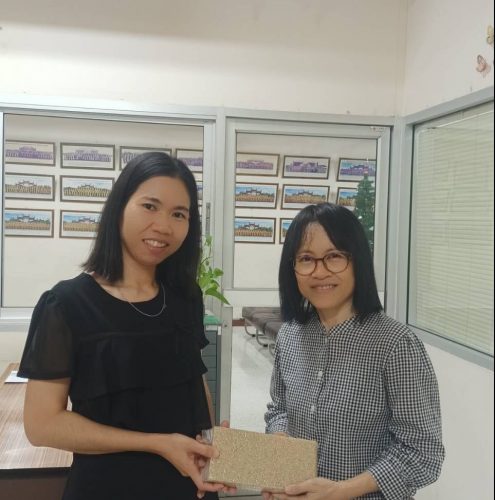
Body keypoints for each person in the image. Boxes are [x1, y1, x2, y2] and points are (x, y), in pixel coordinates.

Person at [18, 152, 229, 500]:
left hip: (189, 483)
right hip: (108, 486)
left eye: (179, 214)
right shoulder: (67, 304)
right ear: (119, 207)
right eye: (150, 206)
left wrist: (209, 438)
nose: (164, 226)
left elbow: (195, 379)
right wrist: (157, 444)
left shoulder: (185, 296)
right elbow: (42, 425)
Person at [263, 202, 445, 500]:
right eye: (306, 259)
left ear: (357, 260)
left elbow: (422, 452)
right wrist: (280, 442)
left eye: (334, 256)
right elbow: (279, 409)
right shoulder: (290, 335)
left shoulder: (396, 344)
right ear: (292, 268)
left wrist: (341, 491)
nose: (319, 271)